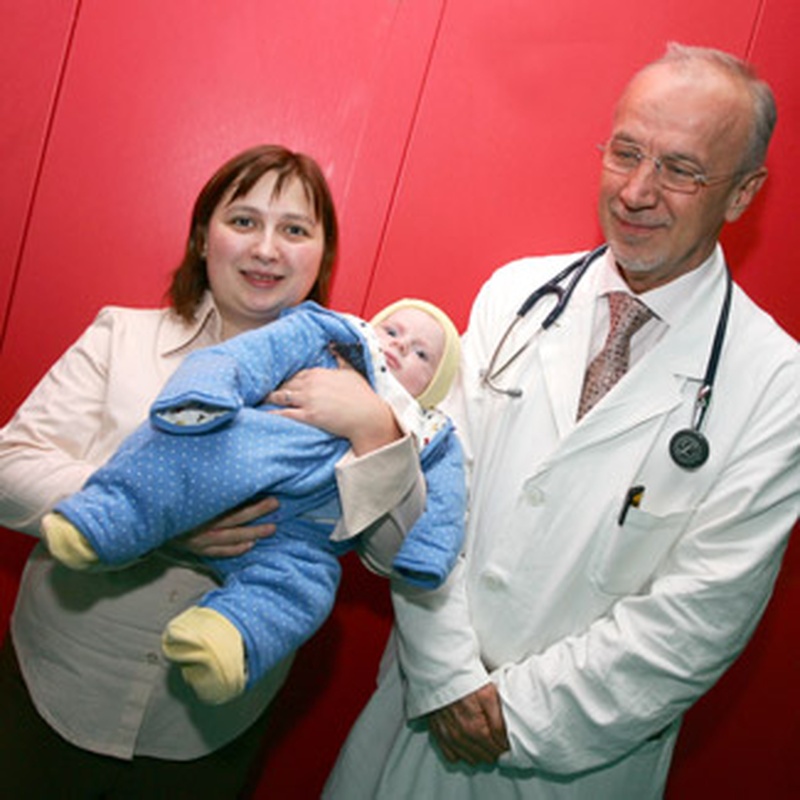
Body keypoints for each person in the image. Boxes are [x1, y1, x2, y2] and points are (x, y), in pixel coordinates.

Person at [315, 43, 799, 799]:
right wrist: (447, 677)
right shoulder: (516, 297)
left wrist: (509, 716)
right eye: (626, 153)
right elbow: (432, 502)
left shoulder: (776, 384)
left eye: (680, 169)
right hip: (415, 714)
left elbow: (701, 615)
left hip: (567, 767)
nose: (636, 191)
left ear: (741, 194)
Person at [0, 144, 417, 797]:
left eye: (295, 230)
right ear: (202, 237)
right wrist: (157, 518)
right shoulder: (122, 337)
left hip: (206, 728)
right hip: (57, 688)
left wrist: (373, 429)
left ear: (322, 257)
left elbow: (398, 556)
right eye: (244, 221)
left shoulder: (368, 388)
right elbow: (10, 467)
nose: (266, 249)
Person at [41, 297, 464, 706]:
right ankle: (104, 519)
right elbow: (236, 362)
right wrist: (200, 398)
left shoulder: (428, 433)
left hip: (300, 536)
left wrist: (427, 553)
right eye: (392, 331)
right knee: (173, 457)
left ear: (436, 385)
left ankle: (226, 638)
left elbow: (445, 509)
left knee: (308, 589)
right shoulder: (325, 341)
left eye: (422, 354)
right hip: (234, 465)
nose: (400, 347)